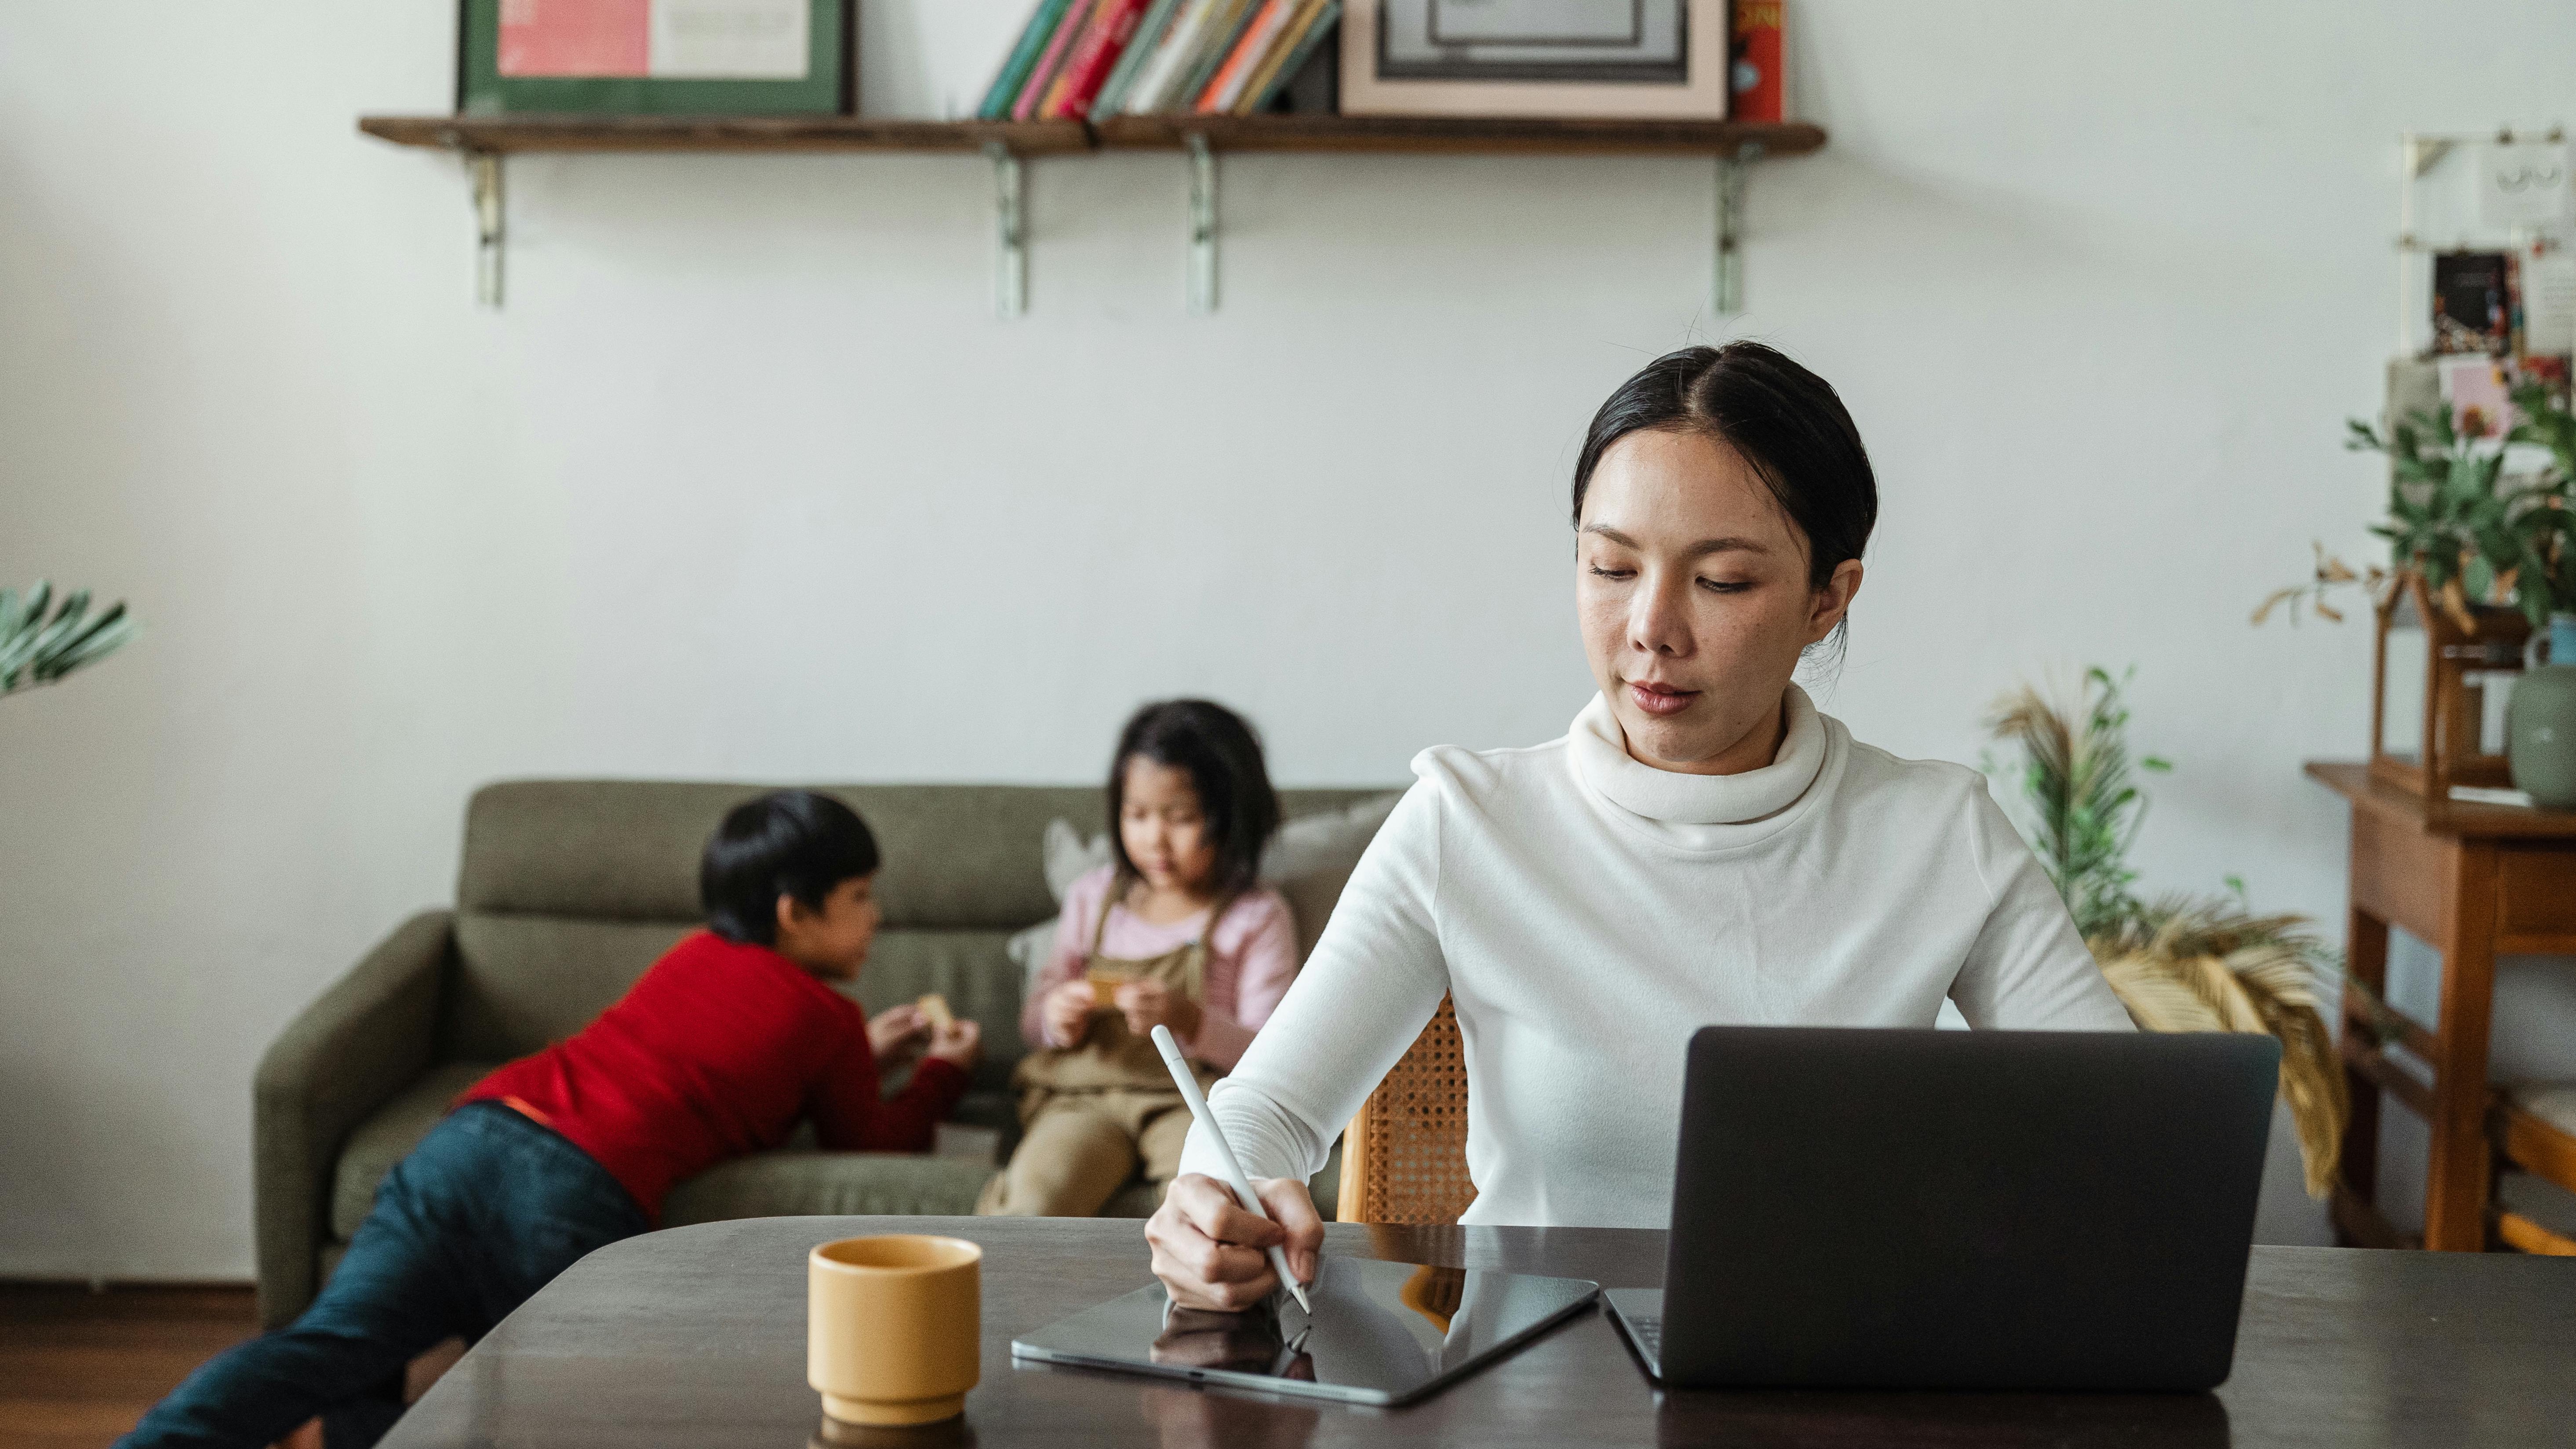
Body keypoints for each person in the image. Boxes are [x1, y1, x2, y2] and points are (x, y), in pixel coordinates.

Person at [1143, 342, 2137, 1310]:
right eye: (1611, 566)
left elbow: (2129, 1130)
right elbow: (1264, 1111)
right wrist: (1214, 1199)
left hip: (1832, 1390)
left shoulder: (1936, 833)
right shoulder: (1467, 822)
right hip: (1531, 1402)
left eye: (1723, 581)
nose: (1651, 627)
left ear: (1828, 597)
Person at [121, 790, 981, 1449]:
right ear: (797, 910)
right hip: (571, 1188)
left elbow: (719, 1052)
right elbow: (868, 1140)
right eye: (861, 896)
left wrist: (862, 1053)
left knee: (326, 1349)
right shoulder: (824, 1017)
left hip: (472, 1134)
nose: (877, 917)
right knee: (557, 1413)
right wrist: (941, 1071)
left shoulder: (694, 954)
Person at [978, 699, 1300, 1217]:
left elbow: (1272, 1055)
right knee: (1032, 1203)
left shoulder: (1256, 916)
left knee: (1211, 1211)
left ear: (1231, 817)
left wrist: (1190, 1018)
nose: (1154, 838)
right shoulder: (1093, 897)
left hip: (1192, 1102)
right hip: (1085, 1095)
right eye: (1137, 814)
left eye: (1182, 818)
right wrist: (1056, 1016)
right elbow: (1034, 1020)